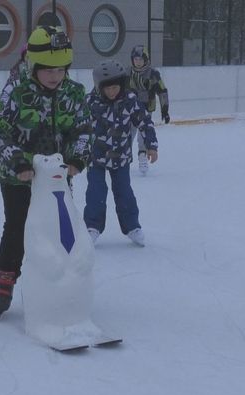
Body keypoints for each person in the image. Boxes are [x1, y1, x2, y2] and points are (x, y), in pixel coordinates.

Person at [0, 26, 92, 317]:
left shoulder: (73, 92)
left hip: (57, 176)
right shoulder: (16, 90)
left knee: (61, 227)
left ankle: (62, 283)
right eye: (48, 70)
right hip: (17, 177)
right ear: (33, 64)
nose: (55, 76)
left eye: (60, 70)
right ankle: (6, 277)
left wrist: (77, 159)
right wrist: (18, 162)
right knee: (18, 225)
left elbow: (82, 129)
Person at [84, 59, 158, 247]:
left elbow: (145, 122)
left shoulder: (129, 100)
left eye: (115, 87)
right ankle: (92, 227)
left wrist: (151, 145)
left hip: (121, 158)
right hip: (95, 158)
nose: (112, 92)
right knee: (96, 193)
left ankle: (132, 226)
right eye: (107, 88)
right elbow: (78, 127)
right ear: (99, 87)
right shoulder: (90, 102)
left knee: (124, 192)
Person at [128, 45, 169, 175]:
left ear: (145, 60)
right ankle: (123, 159)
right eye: (135, 59)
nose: (138, 62)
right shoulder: (127, 73)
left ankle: (142, 157)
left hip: (146, 109)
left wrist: (165, 110)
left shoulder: (153, 74)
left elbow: (162, 91)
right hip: (129, 109)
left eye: (140, 59)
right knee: (128, 134)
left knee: (143, 135)